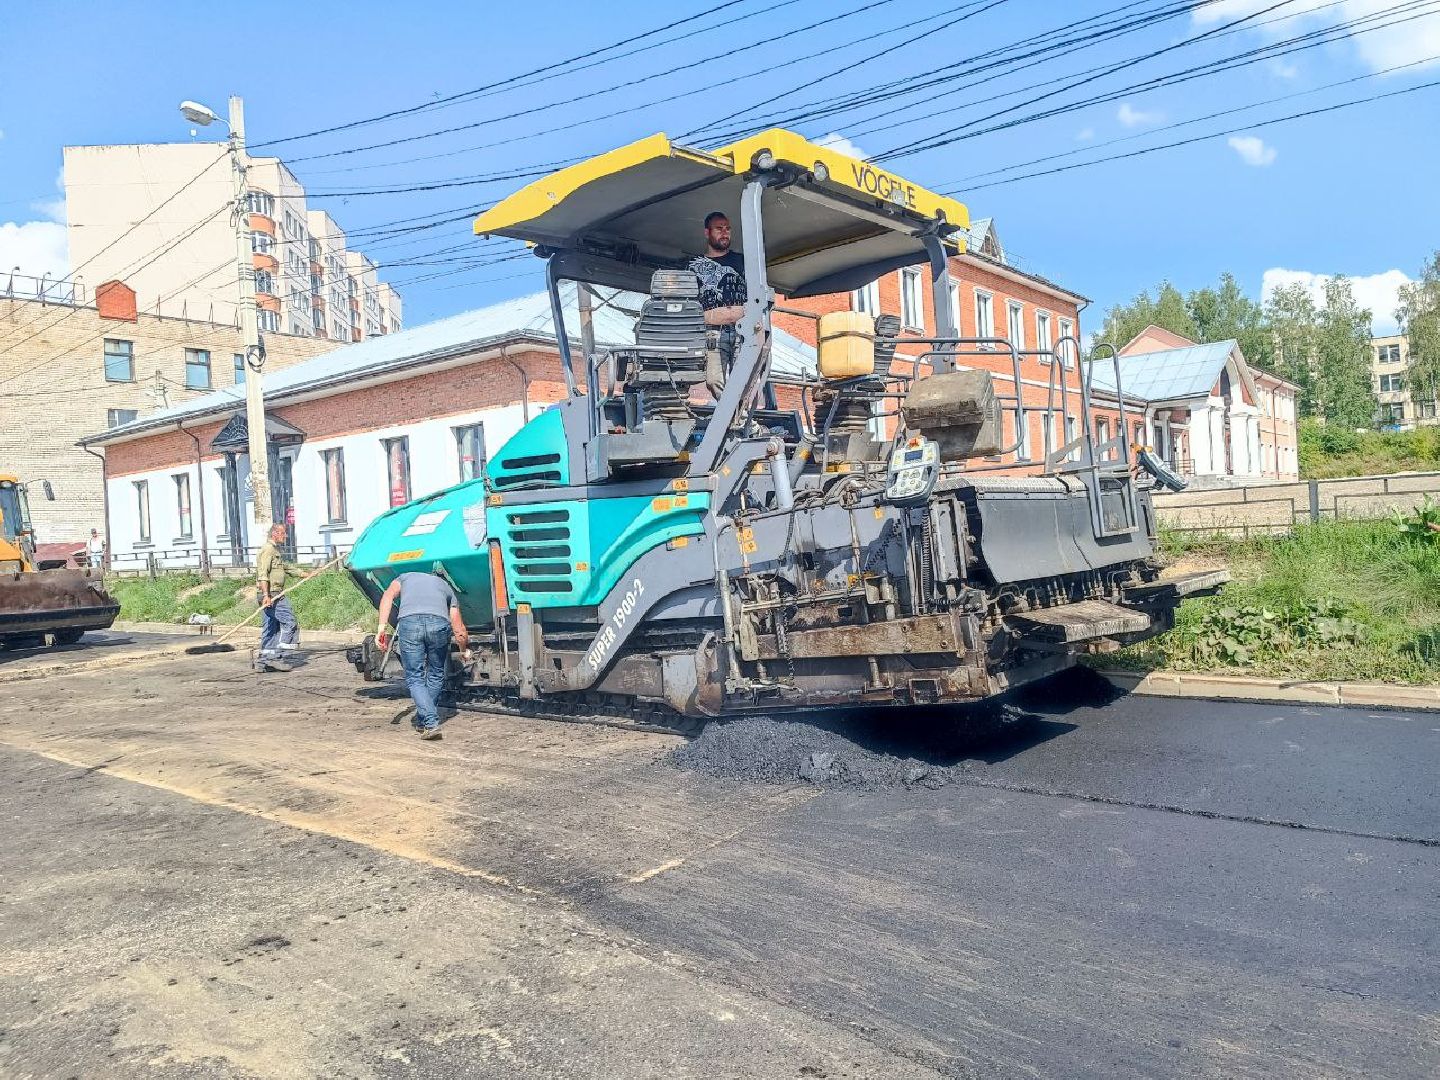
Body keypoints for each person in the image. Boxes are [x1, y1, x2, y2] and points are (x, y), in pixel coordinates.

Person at [375, 571, 471, 740]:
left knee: (415, 677)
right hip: (438, 624)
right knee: (436, 674)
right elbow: (459, 629)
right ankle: (424, 721)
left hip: (410, 623)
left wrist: (381, 629)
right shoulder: (447, 588)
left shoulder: (404, 577)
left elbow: (388, 596)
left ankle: (431, 722)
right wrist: (464, 650)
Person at [688, 211, 747, 328]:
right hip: (707, 333)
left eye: (728, 229)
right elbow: (686, 303)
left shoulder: (744, 261)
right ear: (707, 233)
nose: (724, 233)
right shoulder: (692, 266)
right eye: (719, 229)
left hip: (743, 333)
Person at [255, 523, 299, 670]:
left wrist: (305, 574)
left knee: (271, 628)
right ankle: (278, 657)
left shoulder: (275, 550)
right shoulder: (268, 550)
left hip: (273, 593)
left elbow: (284, 567)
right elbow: (263, 574)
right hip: (272, 595)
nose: (285, 536)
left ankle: (264, 661)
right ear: (274, 533)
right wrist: (266, 595)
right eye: (282, 533)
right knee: (290, 623)